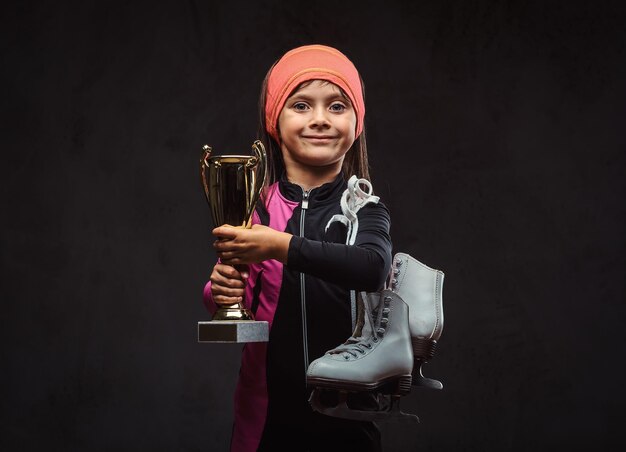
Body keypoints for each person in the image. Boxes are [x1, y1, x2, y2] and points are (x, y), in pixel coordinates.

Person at [203, 44, 392, 452]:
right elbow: (231, 294)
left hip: (349, 419)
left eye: (337, 106)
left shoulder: (364, 210)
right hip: (267, 418)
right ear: (275, 121)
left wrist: (280, 246)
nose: (320, 120)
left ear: (357, 122)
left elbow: (372, 267)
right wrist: (220, 290)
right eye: (301, 105)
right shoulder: (256, 209)